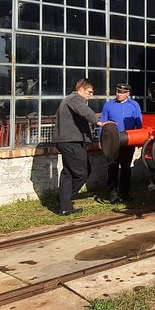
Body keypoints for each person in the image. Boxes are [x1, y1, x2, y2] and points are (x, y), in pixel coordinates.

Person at [53, 78, 107, 215]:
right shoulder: (74, 99)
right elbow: (86, 112)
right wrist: (99, 123)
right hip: (71, 142)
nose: (91, 95)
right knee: (82, 173)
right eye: (89, 92)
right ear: (81, 89)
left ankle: (65, 206)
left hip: (65, 141)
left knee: (68, 172)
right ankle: (64, 199)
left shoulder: (69, 100)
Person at [100, 83, 143, 203]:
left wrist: (139, 139)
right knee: (112, 167)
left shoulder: (134, 105)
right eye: (118, 92)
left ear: (128, 94)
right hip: (112, 141)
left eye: (122, 92)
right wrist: (101, 140)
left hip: (129, 141)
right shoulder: (109, 105)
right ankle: (112, 194)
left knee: (126, 167)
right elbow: (102, 123)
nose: (119, 94)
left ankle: (125, 192)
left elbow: (139, 124)